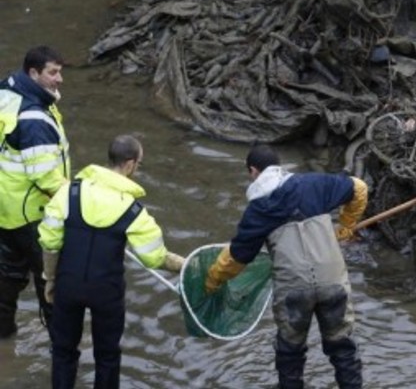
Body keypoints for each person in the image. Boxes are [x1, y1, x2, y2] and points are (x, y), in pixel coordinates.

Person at [205, 143, 368, 389]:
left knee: (290, 352)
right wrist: (345, 226)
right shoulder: (314, 184)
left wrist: (212, 281)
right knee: (341, 347)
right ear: (278, 166)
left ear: (253, 171)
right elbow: (359, 187)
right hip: (333, 282)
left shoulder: (257, 210)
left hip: (293, 290)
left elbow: (236, 259)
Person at [38, 134, 186, 389]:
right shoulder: (134, 211)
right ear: (130, 164)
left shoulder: (69, 192)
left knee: (63, 351)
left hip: (68, 285)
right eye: (139, 164)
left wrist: (50, 280)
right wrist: (185, 264)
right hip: (106, 292)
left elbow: (49, 241)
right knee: (107, 356)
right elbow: (153, 257)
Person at [0, 45, 71, 338]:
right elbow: (46, 179)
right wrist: (79, 200)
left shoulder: (8, 95)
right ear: (34, 73)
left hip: (7, 210)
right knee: (50, 283)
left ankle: (4, 343)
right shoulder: (34, 120)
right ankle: (61, 349)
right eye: (53, 73)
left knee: (6, 279)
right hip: (34, 215)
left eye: (60, 72)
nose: (60, 79)